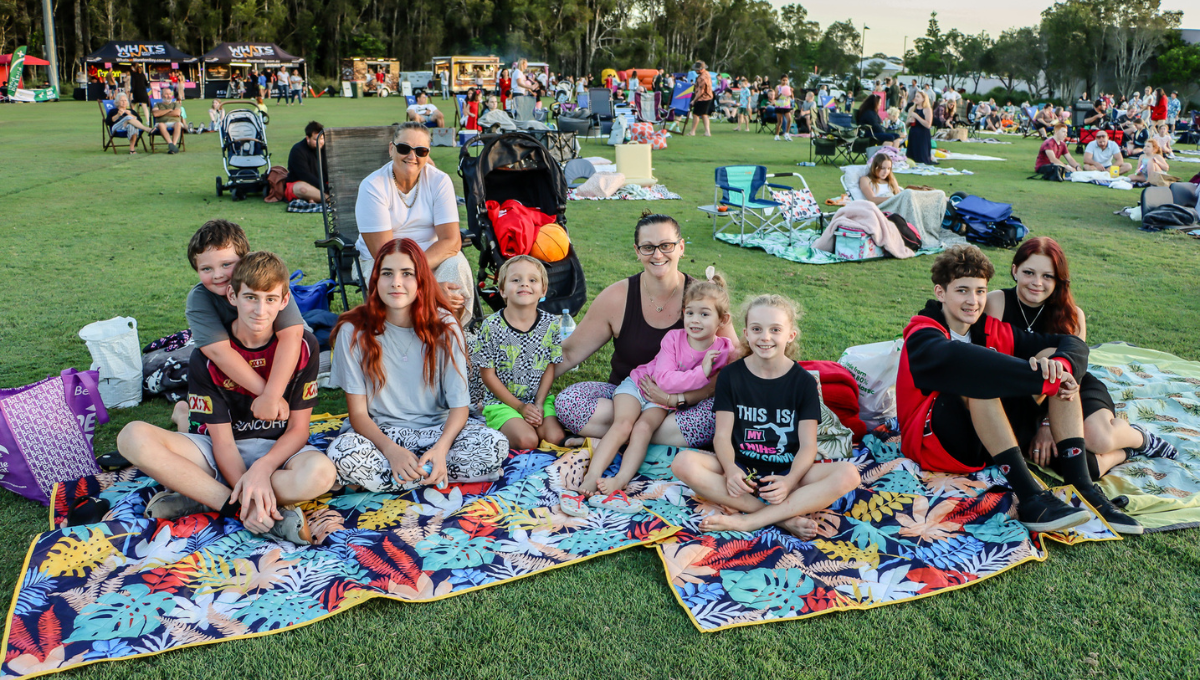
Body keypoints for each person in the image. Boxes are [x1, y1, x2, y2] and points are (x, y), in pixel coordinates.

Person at [894, 245, 1140, 534]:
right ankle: (1031, 498)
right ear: (940, 293)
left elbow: (1072, 344)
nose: (973, 301)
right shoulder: (923, 332)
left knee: (1055, 363)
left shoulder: (990, 328)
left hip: (985, 440)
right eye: (962, 291)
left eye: (980, 291)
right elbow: (960, 360)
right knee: (977, 377)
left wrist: (1059, 368)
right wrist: (1039, 380)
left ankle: (1084, 489)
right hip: (934, 444)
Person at [118, 251, 333, 544]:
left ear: (284, 302)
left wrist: (262, 468)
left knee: (321, 474)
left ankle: (201, 496)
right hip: (221, 452)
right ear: (232, 296)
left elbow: (299, 430)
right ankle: (239, 508)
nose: (260, 310)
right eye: (250, 298)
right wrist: (248, 485)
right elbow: (222, 443)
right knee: (131, 436)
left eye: (270, 299)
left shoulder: (303, 346)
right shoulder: (206, 356)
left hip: (280, 453)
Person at [985, 237, 1177, 483]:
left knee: (1099, 439)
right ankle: (1124, 453)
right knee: (1083, 467)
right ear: (1015, 270)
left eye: (1047, 276)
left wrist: (1048, 425)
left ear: (1058, 279)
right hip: (1023, 401)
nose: (1036, 283)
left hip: (1070, 391)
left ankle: (1141, 438)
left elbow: (1074, 371)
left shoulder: (1072, 315)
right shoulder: (996, 302)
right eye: (1029, 272)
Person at [325, 238, 507, 492]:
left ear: (421, 280)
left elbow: (459, 407)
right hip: (382, 435)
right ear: (375, 280)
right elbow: (358, 415)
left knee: (494, 445)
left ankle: (399, 477)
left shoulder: (445, 326)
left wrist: (441, 449)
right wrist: (391, 452)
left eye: (407, 274)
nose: (396, 282)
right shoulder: (353, 331)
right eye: (387, 273)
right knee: (343, 453)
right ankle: (433, 475)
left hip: (438, 432)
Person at [671, 295, 861, 538]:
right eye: (757, 329)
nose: (765, 337)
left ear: (790, 335)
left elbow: (808, 445)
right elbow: (721, 436)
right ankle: (783, 519)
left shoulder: (803, 382)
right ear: (746, 333)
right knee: (683, 462)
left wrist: (791, 480)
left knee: (848, 474)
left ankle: (749, 521)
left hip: (787, 471)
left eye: (775, 330)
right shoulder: (731, 376)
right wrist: (730, 470)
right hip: (742, 469)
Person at [555, 213, 740, 449]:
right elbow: (569, 353)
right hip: (629, 397)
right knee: (568, 403)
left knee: (718, 415)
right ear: (637, 251)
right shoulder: (617, 297)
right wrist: (525, 396)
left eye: (666, 245)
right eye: (648, 247)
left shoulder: (705, 299)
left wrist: (677, 400)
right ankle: (643, 440)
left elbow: (732, 369)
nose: (658, 254)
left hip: (686, 407)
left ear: (681, 247)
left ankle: (614, 441)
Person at [575, 271, 736, 504]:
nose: (695, 320)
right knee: (623, 424)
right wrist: (701, 372)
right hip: (640, 385)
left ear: (722, 320)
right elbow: (664, 380)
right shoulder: (673, 338)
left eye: (704, 314)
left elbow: (741, 368)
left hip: (661, 402)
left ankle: (620, 479)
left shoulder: (724, 349)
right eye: (690, 313)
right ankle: (591, 476)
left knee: (642, 430)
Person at [354, 122, 474, 324]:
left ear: (427, 154)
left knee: (456, 266)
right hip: (386, 261)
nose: (412, 156)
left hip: (432, 255)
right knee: (397, 283)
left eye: (420, 150)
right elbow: (385, 256)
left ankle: (449, 338)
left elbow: (452, 241)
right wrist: (431, 288)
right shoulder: (373, 187)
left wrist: (423, 276)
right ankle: (411, 342)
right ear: (391, 149)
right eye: (404, 148)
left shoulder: (439, 181)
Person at [473, 255, 567, 450]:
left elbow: (550, 366)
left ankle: (531, 418)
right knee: (528, 440)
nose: (524, 284)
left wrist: (539, 403)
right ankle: (494, 417)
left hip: (538, 398)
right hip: (502, 402)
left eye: (532, 280)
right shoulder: (491, 326)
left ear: (543, 290)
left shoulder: (550, 324)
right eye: (516, 280)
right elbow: (487, 376)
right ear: (502, 290)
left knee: (555, 437)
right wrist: (520, 408)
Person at [286, 121, 327, 205]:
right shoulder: (297, 150)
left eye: (322, 139)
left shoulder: (326, 148)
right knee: (302, 189)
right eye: (316, 139)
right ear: (308, 138)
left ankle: (316, 198)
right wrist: (326, 189)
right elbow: (305, 176)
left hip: (324, 184)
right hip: (304, 183)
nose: (320, 142)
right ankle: (330, 199)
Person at [151, 87, 185, 154]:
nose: (169, 96)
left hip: (175, 122)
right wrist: (169, 110)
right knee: (161, 125)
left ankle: (173, 145)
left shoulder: (175, 104)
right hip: (161, 123)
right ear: (161, 95)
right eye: (166, 94)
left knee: (178, 124)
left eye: (170, 94)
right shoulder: (158, 104)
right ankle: (170, 144)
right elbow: (155, 114)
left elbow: (177, 113)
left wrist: (162, 113)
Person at [906, 90, 935, 166]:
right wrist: (909, 121)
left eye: (918, 96)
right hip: (913, 134)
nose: (916, 98)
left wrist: (917, 117)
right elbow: (906, 125)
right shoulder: (912, 109)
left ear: (923, 99)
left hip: (923, 135)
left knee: (921, 158)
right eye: (915, 96)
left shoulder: (927, 109)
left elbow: (928, 124)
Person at [687, 61, 715, 137]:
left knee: (695, 114)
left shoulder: (703, 77)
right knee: (704, 114)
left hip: (703, 98)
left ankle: (692, 132)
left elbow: (701, 91)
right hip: (708, 97)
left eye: (697, 69)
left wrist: (694, 100)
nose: (696, 71)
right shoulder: (707, 74)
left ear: (702, 69)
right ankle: (707, 132)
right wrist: (695, 84)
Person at [772, 76, 794, 141]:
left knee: (789, 119)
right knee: (780, 121)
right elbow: (775, 98)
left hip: (786, 106)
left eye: (786, 80)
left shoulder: (788, 87)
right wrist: (780, 93)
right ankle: (777, 135)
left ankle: (787, 134)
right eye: (783, 80)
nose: (784, 82)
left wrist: (791, 91)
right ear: (781, 80)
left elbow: (792, 97)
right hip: (779, 106)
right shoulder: (778, 87)